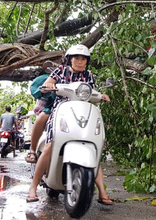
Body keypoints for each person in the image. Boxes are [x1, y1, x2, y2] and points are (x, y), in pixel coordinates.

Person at [26, 44, 113, 205]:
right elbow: (47, 84)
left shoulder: (88, 75)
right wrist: (50, 85)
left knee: (93, 148)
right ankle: (33, 187)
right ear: (69, 59)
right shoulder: (60, 71)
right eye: (76, 58)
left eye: (83, 59)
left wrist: (102, 96)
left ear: (87, 61)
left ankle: (102, 192)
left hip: (83, 113)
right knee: (50, 146)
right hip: (62, 111)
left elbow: (92, 93)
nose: (80, 62)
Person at [24, 61, 56, 163]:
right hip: (52, 108)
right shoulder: (48, 78)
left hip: (71, 108)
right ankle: (32, 150)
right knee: (43, 116)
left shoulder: (80, 77)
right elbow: (36, 90)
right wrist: (45, 89)